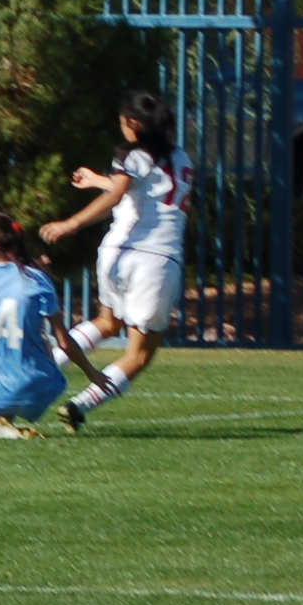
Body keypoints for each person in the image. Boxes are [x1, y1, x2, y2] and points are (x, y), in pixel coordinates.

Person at [38, 89, 194, 431]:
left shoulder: (131, 155)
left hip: (115, 252)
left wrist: (73, 221)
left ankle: (44, 367)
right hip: (156, 259)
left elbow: (123, 190)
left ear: (133, 123)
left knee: (107, 323)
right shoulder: (182, 157)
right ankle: (79, 405)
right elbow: (146, 188)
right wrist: (87, 201)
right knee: (139, 354)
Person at [0, 210, 90, 439]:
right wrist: (93, 374)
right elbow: (64, 342)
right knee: (41, 342)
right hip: (43, 387)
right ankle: (3, 423)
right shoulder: (37, 279)